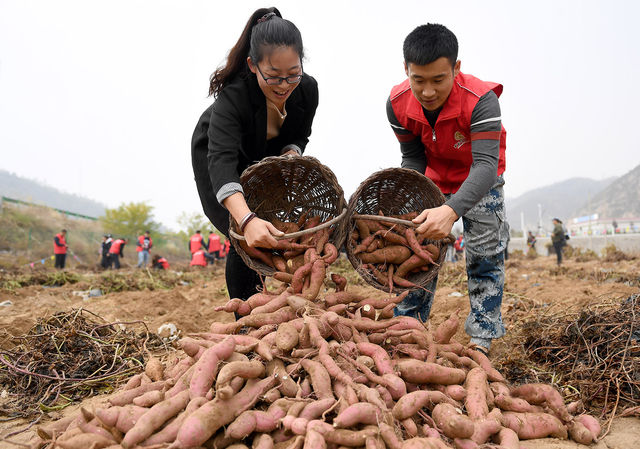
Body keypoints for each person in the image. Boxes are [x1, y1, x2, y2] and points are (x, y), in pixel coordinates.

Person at [386, 23, 509, 355]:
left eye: (438, 80)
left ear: (456, 68)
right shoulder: (397, 104)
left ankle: (482, 338)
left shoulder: (481, 101)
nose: (427, 92)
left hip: (480, 178)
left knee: (484, 253)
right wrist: (408, 198)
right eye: (419, 80)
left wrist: (452, 211)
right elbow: (412, 157)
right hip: (433, 180)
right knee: (418, 251)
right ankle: (408, 327)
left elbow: (484, 165)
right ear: (406, 70)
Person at [192, 7, 318, 314]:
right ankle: (246, 314)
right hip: (218, 156)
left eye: (293, 74)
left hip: (265, 157)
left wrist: (291, 154)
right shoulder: (233, 99)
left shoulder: (308, 90)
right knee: (244, 236)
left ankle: (276, 308)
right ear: (252, 65)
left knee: (270, 224)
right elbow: (221, 161)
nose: (284, 85)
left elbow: (300, 134)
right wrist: (246, 219)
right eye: (273, 76)